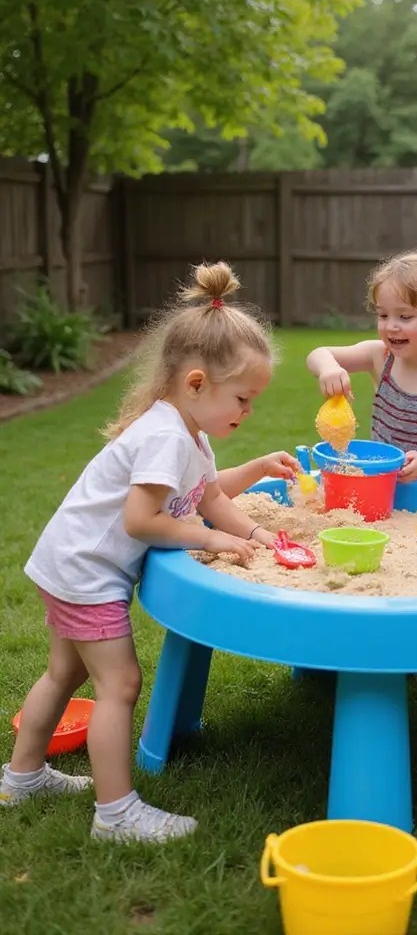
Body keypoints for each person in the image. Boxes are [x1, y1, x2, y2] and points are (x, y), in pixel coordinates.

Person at [0, 262, 298, 842]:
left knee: (63, 673)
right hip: (87, 572)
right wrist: (211, 538)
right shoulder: (164, 435)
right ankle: (117, 815)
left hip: (68, 562)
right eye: (243, 397)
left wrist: (257, 528)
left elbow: (208, 494)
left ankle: (21, 777)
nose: (248, 411)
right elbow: (144, 520)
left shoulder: (189, 429)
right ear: (194, 383)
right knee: (120, 686)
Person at [306, 249, 417, 485]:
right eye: (383, 315)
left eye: (405, 317)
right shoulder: (380, 357)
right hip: (388, 486)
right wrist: (328, 368)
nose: (391, 326)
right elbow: (318, 354)